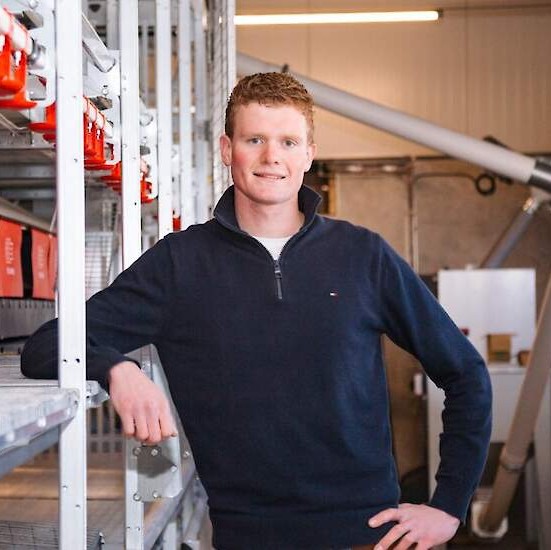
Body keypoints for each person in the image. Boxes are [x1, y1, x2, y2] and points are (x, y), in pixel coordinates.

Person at [22, 72, 492, 550]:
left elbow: (466, 373)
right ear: (227, 150)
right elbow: (44, 345)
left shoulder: (363, 256)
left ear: (309, 154)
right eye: (255, 140)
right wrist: (117, 369)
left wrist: (449, 506)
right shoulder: (180, 264)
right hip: (248, 538)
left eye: (288, 142)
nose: (272, 157)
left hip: (368, 536)